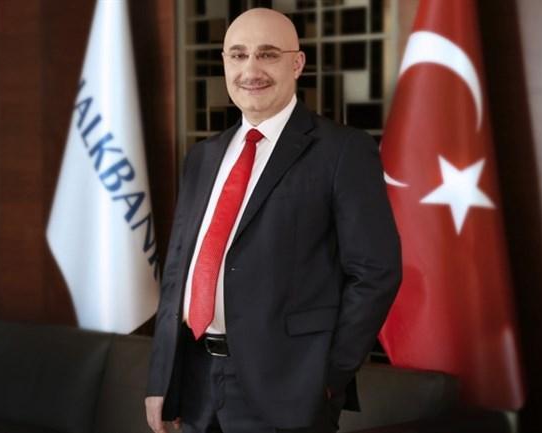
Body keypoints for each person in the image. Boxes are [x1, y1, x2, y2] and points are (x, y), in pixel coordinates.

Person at [145, 8, 401, 433]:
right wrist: (161, 379)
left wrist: (327, 375)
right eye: (238, 55)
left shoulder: (342, 150)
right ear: (224, 62)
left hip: (289, 388)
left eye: (267, 54)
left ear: (296, 64)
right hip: (195, 382)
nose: (250, 70)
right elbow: (177, 273)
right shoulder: (202, 157)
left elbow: (376, 272)